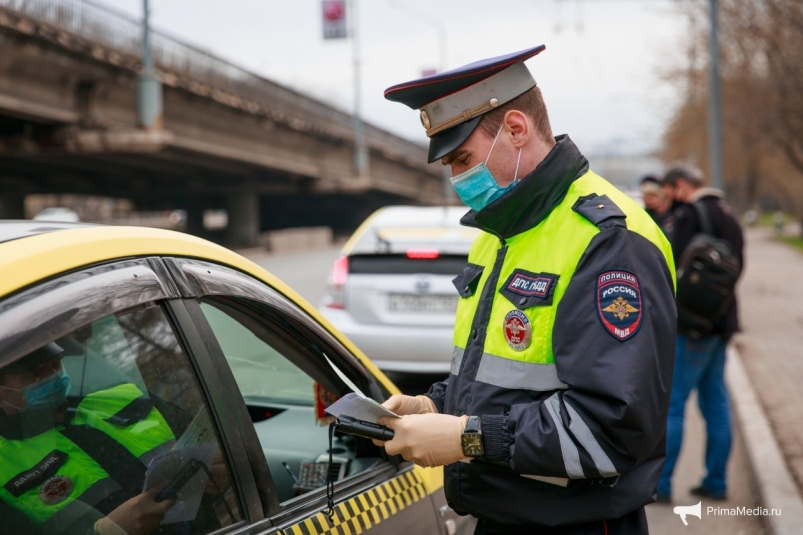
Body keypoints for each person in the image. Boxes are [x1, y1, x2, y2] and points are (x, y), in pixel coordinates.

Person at [377, 46, 677, 534]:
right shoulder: (500, 235)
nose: (457, 179)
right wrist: (435, 404)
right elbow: (507, 379)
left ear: (516, 129)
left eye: (463, 158)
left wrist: (466, 437)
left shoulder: (609, 241)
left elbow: (613, 429)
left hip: (576, 523)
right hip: (501, 517)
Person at [0, 343, 178, 535]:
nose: (51, 377)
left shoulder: (126, 398)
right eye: (33, 373)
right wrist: (107, 532)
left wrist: (212, 466)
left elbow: (204, 436)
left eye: (55, 364)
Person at [657, 164, 744, 502]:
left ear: (679, 186)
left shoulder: (690, 215)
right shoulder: (728, 213)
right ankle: (717, 481)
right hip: (722, 324)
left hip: (690, 326)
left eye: (669, 192)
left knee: (674, 405)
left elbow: (669, 266)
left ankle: (661, 484)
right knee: (716, 404)